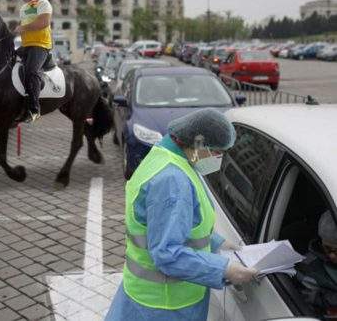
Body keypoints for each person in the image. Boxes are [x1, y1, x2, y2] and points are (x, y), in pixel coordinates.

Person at [105, 108, 258, 321]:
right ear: (198, 143)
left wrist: (217, 243)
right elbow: (167, 253)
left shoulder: (164, 156)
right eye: (216, 152)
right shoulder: (172, 181)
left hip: (149, 296)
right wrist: (225, 270)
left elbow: (165, 224)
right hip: (164, 305)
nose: (218, 158)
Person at [13, 0, 53, 123]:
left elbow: (44, 22)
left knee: (31, 71)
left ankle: (35, 110)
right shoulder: (23, 8)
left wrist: (23, 28)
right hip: (27, 46)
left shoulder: (43, 2)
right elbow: (25, 26)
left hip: (40, 45)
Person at [296, 211, 337, 320]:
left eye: (336, 250)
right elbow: (307, 298)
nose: (332, 255)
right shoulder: (307, 267)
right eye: (327, 248)